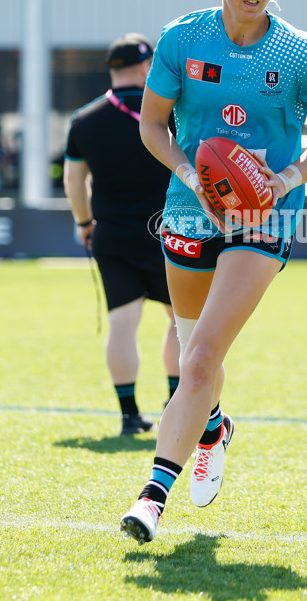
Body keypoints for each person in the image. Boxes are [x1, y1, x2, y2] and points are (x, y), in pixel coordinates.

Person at [120, 0, 307, 543]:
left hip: (264, 216)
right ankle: (215, 425)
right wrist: (192, 174)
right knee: (190, 347)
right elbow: (152, 126)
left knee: (198, 360)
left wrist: (288, 179)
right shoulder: (183, 37)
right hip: (189, 208)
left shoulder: (301, 53)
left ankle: (150, 498)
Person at [63, 33, 180, 436]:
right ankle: (174, 405)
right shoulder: (169, 117)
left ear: (113, 69)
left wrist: (84, 223)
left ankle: (129, 414)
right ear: (148, 66)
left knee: (122, 323)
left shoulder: (85, 120)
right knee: (180, 322)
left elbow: (74, 181)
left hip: (111, 234)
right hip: (171, 232)